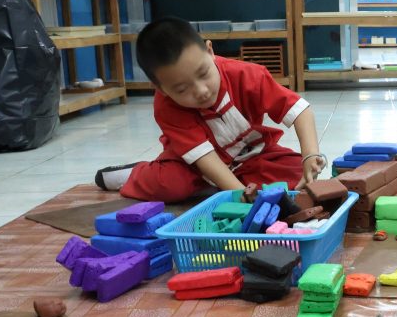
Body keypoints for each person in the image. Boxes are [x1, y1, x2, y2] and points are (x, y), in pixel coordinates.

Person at [94, 17, 325, 202]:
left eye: (204, 73)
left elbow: (299, 111)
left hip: (251, 155)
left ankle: (224, 184)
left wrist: (310, 155)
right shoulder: (166, 107)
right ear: (161, 89)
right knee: (172, 185)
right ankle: (134, 173)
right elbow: (204, 159)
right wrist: (242, 195)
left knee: (296, 172)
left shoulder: (246, 75)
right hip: (193, 165)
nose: (201, 91)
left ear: (210, 51)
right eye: (182, 89)